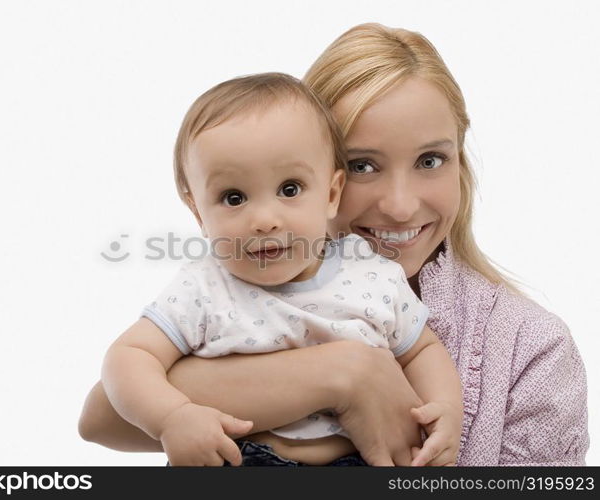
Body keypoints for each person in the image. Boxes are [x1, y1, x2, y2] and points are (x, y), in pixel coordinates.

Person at [79, 23, 589, 466]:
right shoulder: (219, 284)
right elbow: (101, 417)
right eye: (364, 164)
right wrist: (343, 374)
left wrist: (438, 408)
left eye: (431, 160)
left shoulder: (532, 351)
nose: (400, 206)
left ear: (328, 188)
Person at [100, 72, 463, 466]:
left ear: (330, 193)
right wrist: (171, 417)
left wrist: (445, 407)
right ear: (197, 212)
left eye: (289, 189)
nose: (265, 219)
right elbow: (129, 356)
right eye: (233, 197)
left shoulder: (369, 272)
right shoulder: (204, 286)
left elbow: (422, 349)